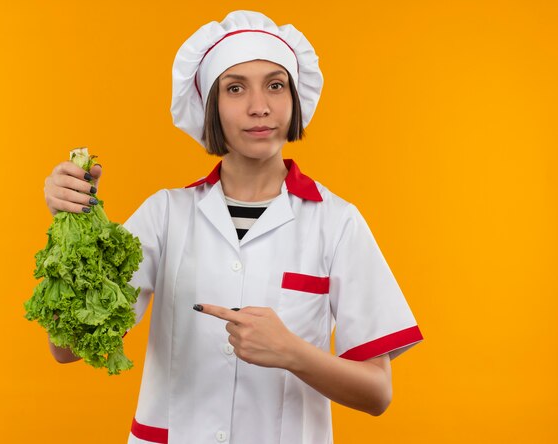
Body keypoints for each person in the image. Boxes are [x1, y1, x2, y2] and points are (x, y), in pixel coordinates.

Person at [42, 10, 424, 444]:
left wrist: (292, 353)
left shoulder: (336, 222)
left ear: (295, 98)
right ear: (212, 106)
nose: (259, 106)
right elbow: (67, 349)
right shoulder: (165, 214)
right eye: (235, 88)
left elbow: (377, 393)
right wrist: (72, 229)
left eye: (275, 85)